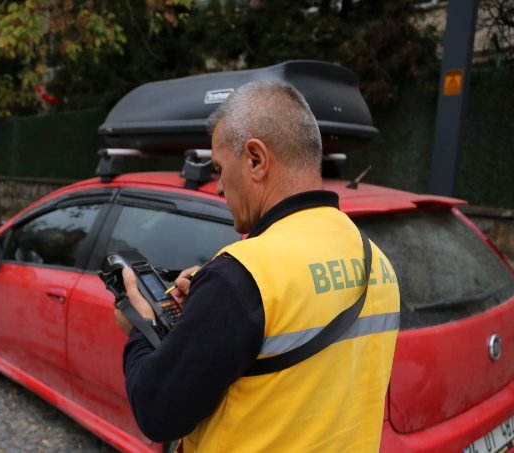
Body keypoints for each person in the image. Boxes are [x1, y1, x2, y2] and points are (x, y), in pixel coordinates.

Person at [114, 80, 400, 452]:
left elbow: (157, 413)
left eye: (219, 168)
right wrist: (210, 301)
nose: (218, 187)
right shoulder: (377, 260)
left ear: (255, 160)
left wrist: (141, 327)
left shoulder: (242, 277)